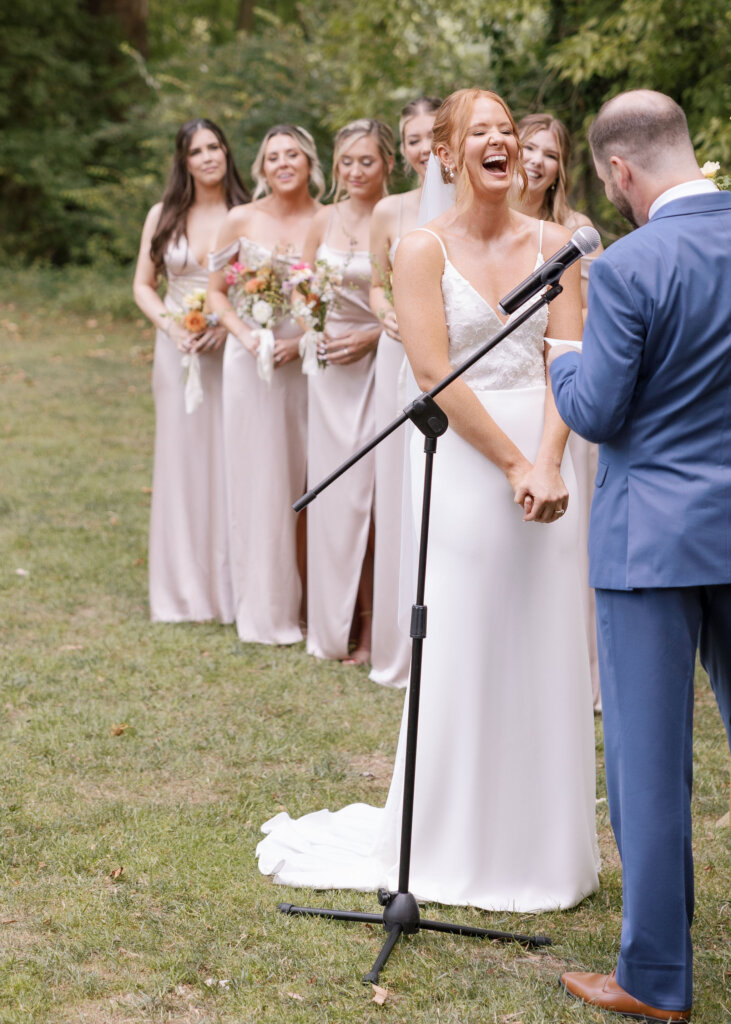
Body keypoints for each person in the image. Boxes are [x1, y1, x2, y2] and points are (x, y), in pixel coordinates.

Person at [257, 90, 599, 912]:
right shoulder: (421, 249)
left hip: (551, 462)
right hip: (463, 458)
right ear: (445, 154)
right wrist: (515, 462)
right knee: (463, 635)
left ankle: (544, 851)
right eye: (478, 131)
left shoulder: (560, 245)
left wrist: (548, 462)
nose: (499, 142)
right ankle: (451, 838)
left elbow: (567, 355)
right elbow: (430, 374)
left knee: (543, 639)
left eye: (506, 131)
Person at [550, 90, 731, 1024]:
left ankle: (655, 980)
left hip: (649, 545)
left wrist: (560, 355)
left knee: (649, 767)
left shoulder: (626, 268)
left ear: (618, 171)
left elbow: (595, 411)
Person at [207, 125, 324, 645]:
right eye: (273, 156)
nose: (282, 163)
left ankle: (308, 604)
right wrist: (247, 337)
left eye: (292, 154)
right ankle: (258, 606)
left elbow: (330, 300)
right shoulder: (240, 219)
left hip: (302, 365)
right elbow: (215, 294)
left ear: (308, 161)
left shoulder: (327, 219)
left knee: (300, 480)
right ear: (260, 168)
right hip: (248, 363)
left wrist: (298, 343)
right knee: (256, 481)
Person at [133, 118, 249, 623]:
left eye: (215, 147)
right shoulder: (164, 214)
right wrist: (171, 327)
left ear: (226, 153)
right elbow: (143, 284)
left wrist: (228, 326)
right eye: (197, 150)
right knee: (182, 463)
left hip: (230, 350)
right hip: (177, 351)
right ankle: (181, 591)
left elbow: (257, 282)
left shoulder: (245, 213)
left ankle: (229, 588)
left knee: (229, 458)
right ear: (183, 161)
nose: (207, 156)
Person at [513, 112, 604, 711]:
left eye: (549, 152)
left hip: (559, 395)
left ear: (560, 166)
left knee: (570, 545)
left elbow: (593, 322)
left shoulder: (575, 231)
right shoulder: (483, 227)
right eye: (528, 147)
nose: (536, 160)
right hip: (499, 397)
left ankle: (576, 675)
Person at [303, 119, 394, 665]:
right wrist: (315, 332)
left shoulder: (397, 215)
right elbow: (304, 289)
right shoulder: (323, 220)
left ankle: (372, 627)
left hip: (378, 362)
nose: (356, 171)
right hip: (329, 376)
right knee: (336, 499)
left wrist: (369, 335)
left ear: (387, 164)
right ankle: (332, 619)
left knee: (375, 498)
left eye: (368, 161)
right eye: (347, 162)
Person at [368, 96, 441, 690]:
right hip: (399, 357)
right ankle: (400, 645)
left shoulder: (478, 204)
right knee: (403, 492)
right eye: (412, 139)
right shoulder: (390, 211)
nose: (422, 149)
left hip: (456, 357)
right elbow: (375, 283)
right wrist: (387, 312)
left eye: (431, 136)